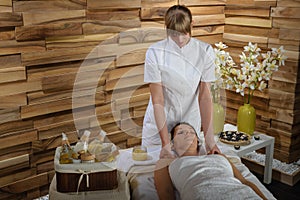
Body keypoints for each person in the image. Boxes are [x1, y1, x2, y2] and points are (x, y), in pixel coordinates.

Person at [142, 4, 220, 158]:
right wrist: (165, 144)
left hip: (189, 125)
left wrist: (210, 140)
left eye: (184, 33)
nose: (180, 39)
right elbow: (158, 99)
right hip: (160, 126)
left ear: (192, 25)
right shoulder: (155, 52)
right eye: (174, 34)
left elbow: (204, 96)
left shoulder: (205, 51)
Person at [154, 122, 267, 200]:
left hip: (243, 194)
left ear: (197, 140)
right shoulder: (167, 163)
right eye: (181, 132)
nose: (187, 134)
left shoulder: (219, 156)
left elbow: (245, 182)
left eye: (191, 132)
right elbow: (166, 193)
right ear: (172, 145)